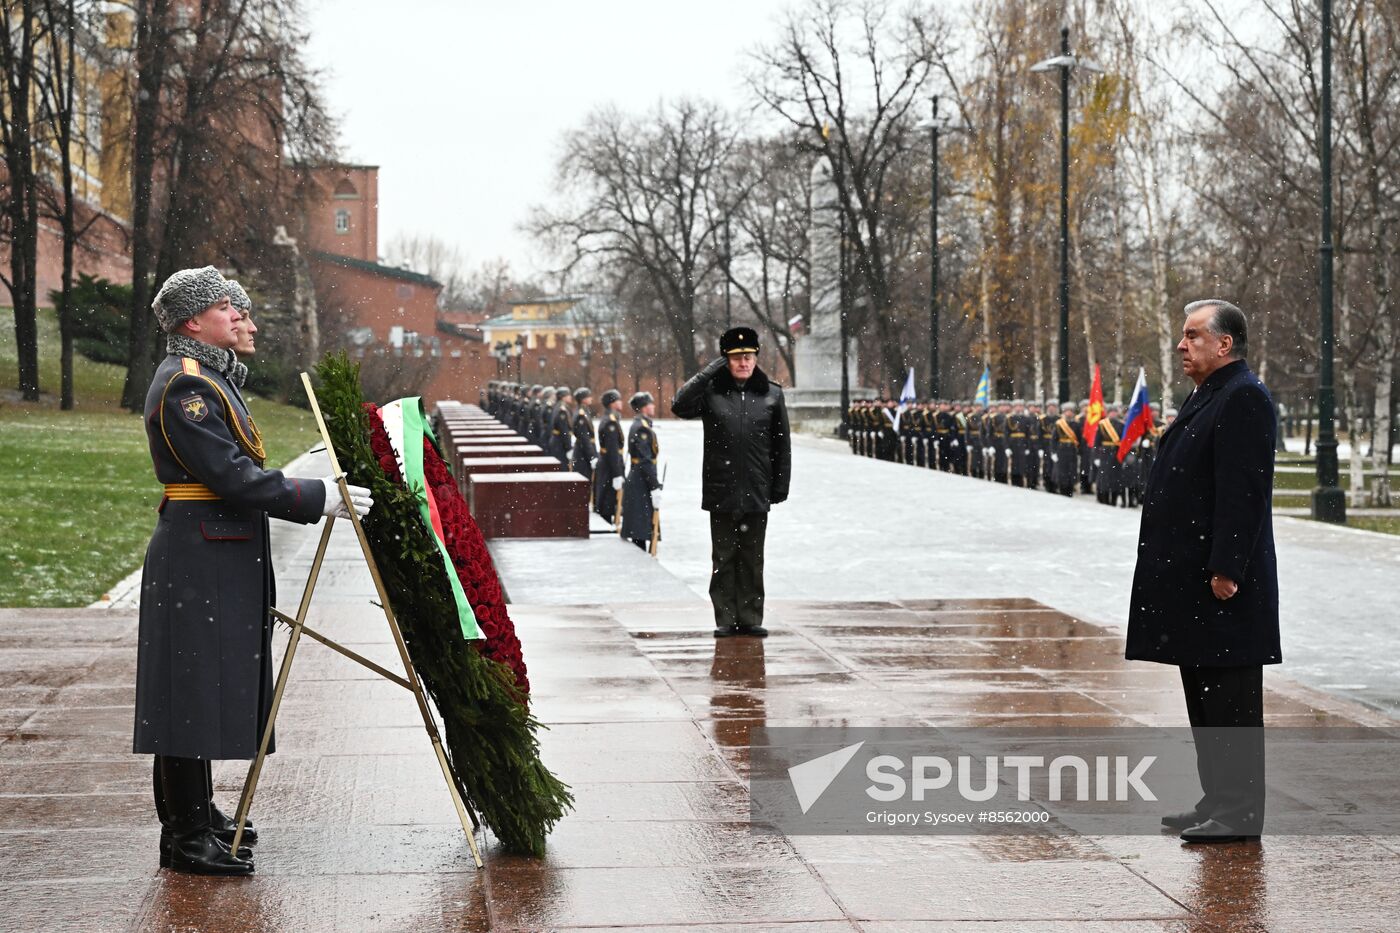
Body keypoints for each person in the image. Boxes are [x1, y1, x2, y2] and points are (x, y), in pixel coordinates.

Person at [135, 267, 373, 876]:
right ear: (193, 322)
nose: (246, 320)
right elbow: (229, 475)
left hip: (216, 549)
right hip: (200, 553)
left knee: (200, 687)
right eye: (229, 310)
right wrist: (313, 496)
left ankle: (195, 813)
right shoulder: (187, 386)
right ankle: (185, 835)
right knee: (188, 693)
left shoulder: (212, 379)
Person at [1126, 298, 1278, 844]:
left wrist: (1227, 568)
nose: (1181, 345)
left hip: (1223, 585)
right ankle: (1218, 800)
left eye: (1192, 336)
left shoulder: (1244, 397)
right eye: (1183, 336)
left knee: (1231, 701)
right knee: (1207, 698)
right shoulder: (1213, 394)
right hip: (1196, 581)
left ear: (1224, 343)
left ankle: (1239, 813)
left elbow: (1244, 493)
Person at [672, 326, 791, 637]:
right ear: (726, 360)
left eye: (749, 357)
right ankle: (726, 617)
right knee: (723, 558)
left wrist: (779, 486)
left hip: (756, 488)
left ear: (756, 359)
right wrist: (710, 371)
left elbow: (781, 445)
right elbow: (679, 405)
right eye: (737, 358)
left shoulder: (771, 394)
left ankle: (750, 618)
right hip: (722, 488)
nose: (744, 363)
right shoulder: (712, 393)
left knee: (752, 558)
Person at [621, 391, 662, 550]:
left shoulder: (641, 425)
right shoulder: (642, 428)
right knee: (641, 528)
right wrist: (654, 486)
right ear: (644, 407)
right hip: (641, 481)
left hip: (639, 478)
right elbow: (645, 461)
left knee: (641, 526)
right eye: (650, 404)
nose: (653, 406)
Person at [570, 388, 597, 483]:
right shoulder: (581, 414)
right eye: (588, 396)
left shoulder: (584, 411)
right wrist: (592, 457)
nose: (591, 398)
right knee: (584, 482)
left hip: (583, 451)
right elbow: (585, 438)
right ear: (583, 399)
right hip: (583, 453)